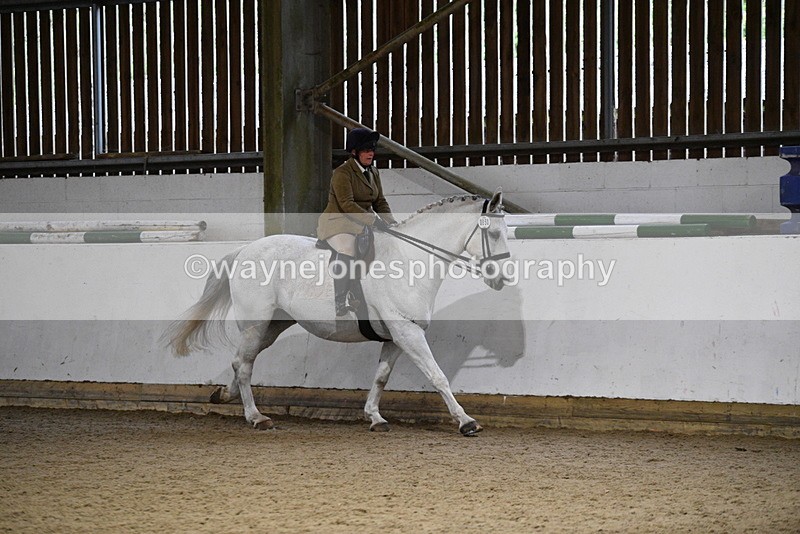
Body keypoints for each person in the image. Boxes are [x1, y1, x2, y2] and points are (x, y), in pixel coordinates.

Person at [317, 127, 397, 316]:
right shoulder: (342, 173)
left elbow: (380, 201)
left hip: (361, 222)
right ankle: (341, 299)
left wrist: (392, 223)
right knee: (348, 249)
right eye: (366, 150)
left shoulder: (373, 172)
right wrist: (372, 220)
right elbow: (346, 204)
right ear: (354, 152)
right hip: (338, 222)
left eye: (372, 149)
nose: (371, 153)